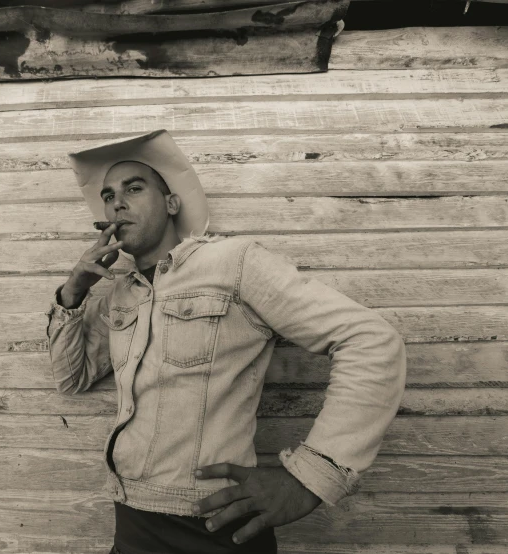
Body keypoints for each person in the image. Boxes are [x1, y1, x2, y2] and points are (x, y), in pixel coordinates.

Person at [46, 129, 407, 553]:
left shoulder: (232, 262)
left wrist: (312, 476)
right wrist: (74, 291)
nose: (117, 202)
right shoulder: (120, 292)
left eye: (134, 188)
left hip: (213, 526)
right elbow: (72, 379)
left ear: (171, 203)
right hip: (129, 521)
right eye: (108, 196)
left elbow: (370, 339)